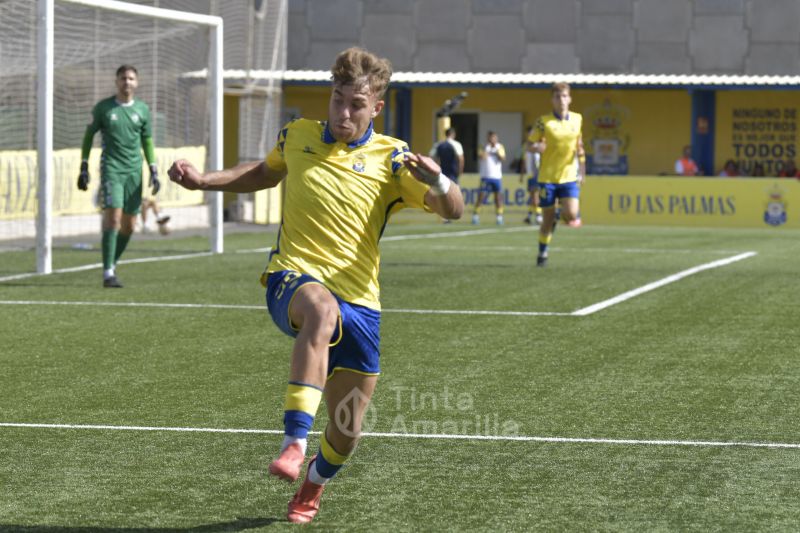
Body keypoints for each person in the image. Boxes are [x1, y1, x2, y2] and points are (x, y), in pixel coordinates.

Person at [167, 47, 463, 524]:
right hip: (293, 277)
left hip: (362, 304)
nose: (343, 113)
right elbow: (264, 172)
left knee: (347, 431)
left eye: (356, 105)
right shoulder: (298, 135)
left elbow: (454, 211)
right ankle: (293, 441)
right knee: (321, 311)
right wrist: (205, 181)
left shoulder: (393, 160)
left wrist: (441, 181)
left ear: (376, 108)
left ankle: (312, 486)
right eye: (337, 100)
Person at [77, 64, 160, 288]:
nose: (127, 82)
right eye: (123, 78)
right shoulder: (104, 108)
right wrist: (83, 166)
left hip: (135, 170)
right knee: (113, 217)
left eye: (131, 78)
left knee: (130, 225)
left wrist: (153, 168)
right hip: (112, 168)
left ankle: (111, 262)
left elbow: (148, 141)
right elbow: (88, 136)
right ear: (116, 82)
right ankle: (108, 272)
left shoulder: (142, 109)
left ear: (137, 82)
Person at [530, 82, 585, 267]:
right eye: (557, 97)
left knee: (571, 214)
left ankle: (560, 214)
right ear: (552, 100)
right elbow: (529, 144)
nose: (561, 100)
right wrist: (536, 146)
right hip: (547, 178)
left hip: (569, 176)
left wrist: (583, 172)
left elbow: (580, 147)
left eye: (564, 96)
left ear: (569, 98)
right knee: (547, 219)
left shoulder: (577, 119)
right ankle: (542, 252)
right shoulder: (543, 122)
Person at [429, 127, 464, 223]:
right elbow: (460, 159)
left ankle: (445, 217)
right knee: (455, 193)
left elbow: (431, 156)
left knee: (443, 194)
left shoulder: (439, 144)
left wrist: (435, 168)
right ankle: (454, 214)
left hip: (442, 173)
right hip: (453, 173)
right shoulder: (456, 144)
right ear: (453, 134)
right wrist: (460, 171)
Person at [471, 131, 506, 225]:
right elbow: (482, 156)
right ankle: (475, 215)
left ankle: (499, 217)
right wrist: (488, 148)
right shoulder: (483, 146)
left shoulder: (500, 147)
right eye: (491, 138)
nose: (492, 140)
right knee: (481, 197)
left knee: (498, 198)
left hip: (496, 177)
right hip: (485, 176)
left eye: (494, 138)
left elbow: (502, 158)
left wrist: (496, 150)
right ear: (488, 138)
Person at [520, 125, 542, 225]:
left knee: (535, 196)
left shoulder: (539, 145)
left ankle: (539, 216)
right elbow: (524, 161)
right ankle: (529, 216)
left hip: (537, 174)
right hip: (529, 175)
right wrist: (522, 174)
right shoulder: (526, 146)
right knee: (532, 196)